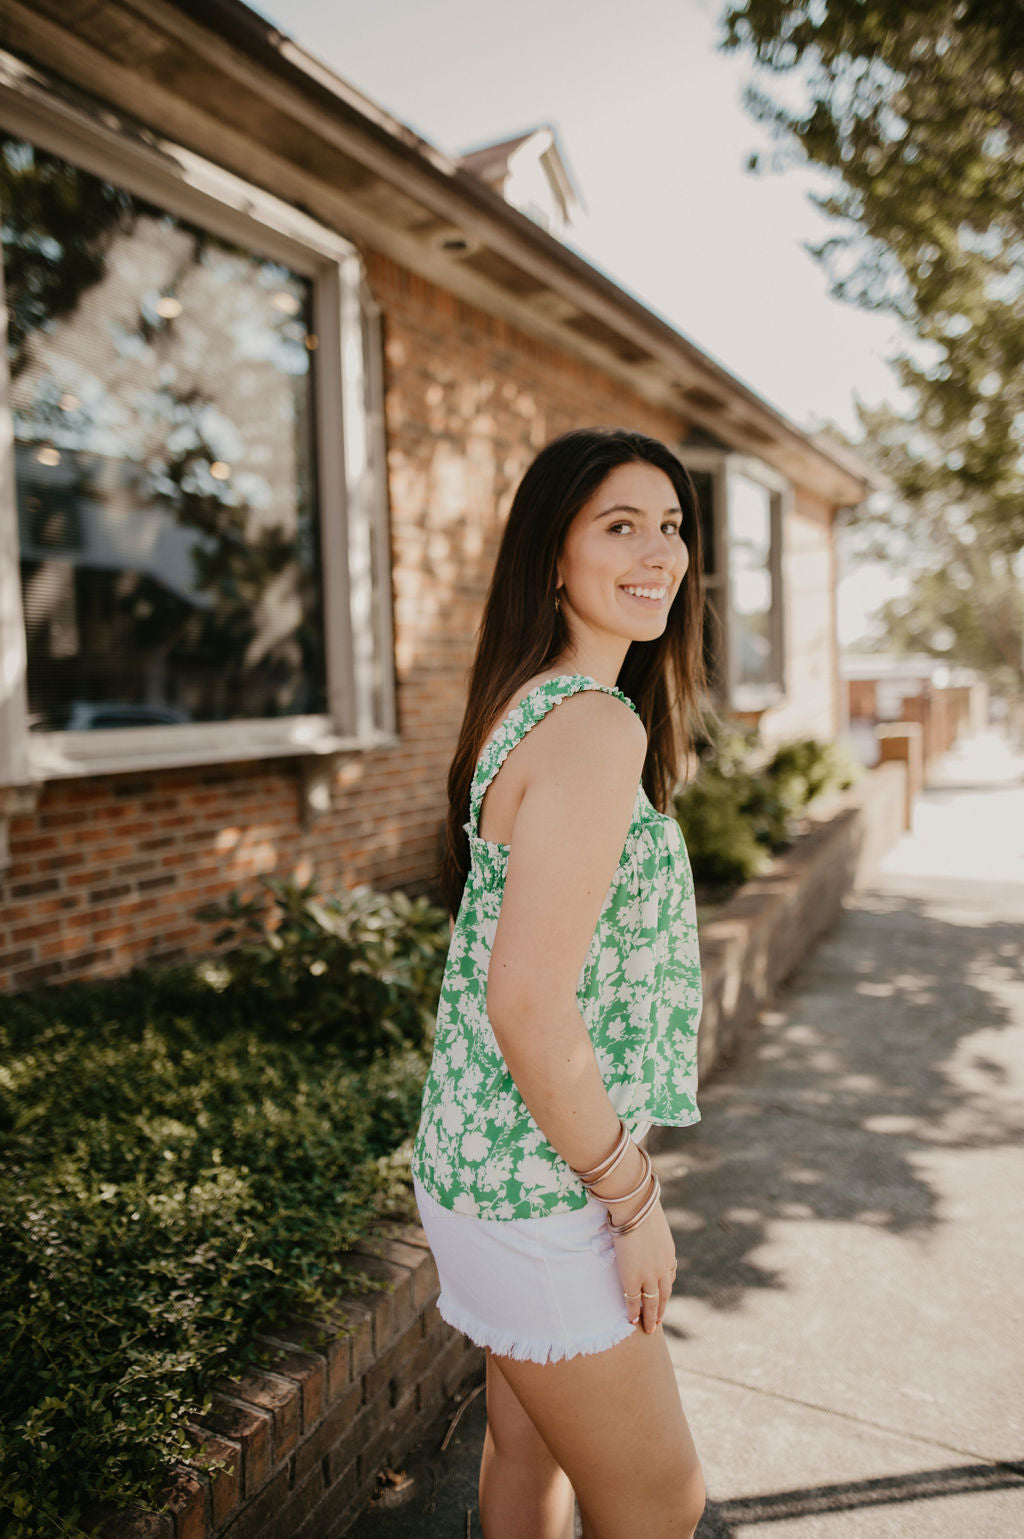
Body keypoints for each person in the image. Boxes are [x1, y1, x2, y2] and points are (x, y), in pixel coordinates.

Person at [411, 425, 708, 1539]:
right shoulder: (589, 727)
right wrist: (633, 1204)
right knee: (657, 1501)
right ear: (553, 558)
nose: (657, 553)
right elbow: (528, 1005)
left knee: (525, 1449)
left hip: (479, 1160)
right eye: (619, 525)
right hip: (542, 1188)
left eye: (670, 526)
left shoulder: (531, 701)